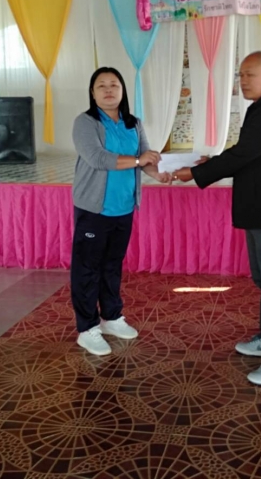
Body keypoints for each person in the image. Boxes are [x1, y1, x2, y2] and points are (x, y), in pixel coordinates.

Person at [173, 52, 261, 386]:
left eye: (250, 75)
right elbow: (251, 156)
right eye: (240, 75)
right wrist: (212, 162)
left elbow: (242, 155)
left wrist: (197, 173)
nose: (242, 81)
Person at [71, 67, 171, 356]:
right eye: (101, 85)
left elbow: (146, 158)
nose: (108, 90)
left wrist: (159, 173)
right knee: (87, 268)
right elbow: (98, 158)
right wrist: (140, 160)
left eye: (114, 84)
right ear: (92, 93)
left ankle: (111, 317)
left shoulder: (133, 123)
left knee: (112, 265)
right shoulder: (86, 122)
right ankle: (87, 328)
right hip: (94, 208)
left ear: (123, 90)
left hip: (124, 207)